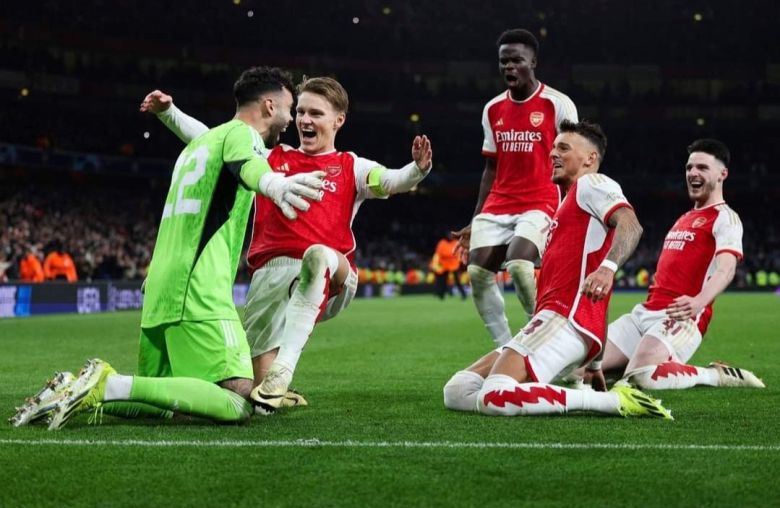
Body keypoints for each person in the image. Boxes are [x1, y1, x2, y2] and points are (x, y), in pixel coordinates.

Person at [11, 66, 326, 429]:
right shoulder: (243, 135)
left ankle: (69, 389)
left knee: (164, 402)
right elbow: (248, 166)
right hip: (198, 288)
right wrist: (275, 185)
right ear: (269, 106)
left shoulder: (200, 146)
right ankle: (107, 383)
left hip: (161, 286)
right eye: (289, 109)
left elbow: (209, 160)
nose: (290, 120)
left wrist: (170, 114)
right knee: (238, 399)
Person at [142, 76, 433, 414]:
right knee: (258, 396)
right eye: (301, 112)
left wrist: (417, 170)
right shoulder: (270, 156)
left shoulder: (352, 166)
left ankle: (285, 366)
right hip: (269, 277)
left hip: (333, 274)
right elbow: (212, 140)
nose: (305, 120)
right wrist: (169, 113)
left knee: (318, 256)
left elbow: (391, 181)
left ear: (338, 120)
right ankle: (276, 385)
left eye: (316, 114)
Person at [443, 120, 672, 419]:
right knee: (458, 389)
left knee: (495, 396)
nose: (552, 154)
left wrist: (607, 267)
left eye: (563, 148)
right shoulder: (566, 205)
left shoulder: (592, 184)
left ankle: (611, 402)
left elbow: (631, 224)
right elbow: (599, 299)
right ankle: (591, 394)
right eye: (552, 148)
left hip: (564, 320)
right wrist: (595, 365)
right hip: (553, 322)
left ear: (590, 158)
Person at [580, 139, 764, 390]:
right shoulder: (684, 217)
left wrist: (699, 302)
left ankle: (714, 375)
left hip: (681, 317)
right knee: (579, 371)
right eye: (689, 167)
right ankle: (626, 368)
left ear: (723, 174)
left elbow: (726, 269)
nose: (693, 173)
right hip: (643, 314)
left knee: (642, 377)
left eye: (702, 167)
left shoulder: (726, 218)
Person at [452, 28, 578, 348]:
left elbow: (575, 161)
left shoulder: (558, 104)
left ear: (533, 62)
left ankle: (545, 338)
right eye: (503, 61)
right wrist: (475, 218)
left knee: (520, 266)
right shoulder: (492, 108)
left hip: (541, 200)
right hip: (499, 203)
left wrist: (574, 211)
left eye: (516, 60)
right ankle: (505, 347)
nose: (509, 66)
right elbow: (491, 168)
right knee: (478, 273)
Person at [431, 232, 466, 300]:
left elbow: (459, 253)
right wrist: (436, 265)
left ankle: (463, 294)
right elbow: (438, 254)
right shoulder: (442, 243)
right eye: (449, 236)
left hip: (454, 265)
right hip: (445, 265)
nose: (450, 237)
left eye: (451, 236)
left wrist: (459, 260)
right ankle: (441, 295)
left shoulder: (456, 242)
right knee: (443, 281)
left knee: (457, 280)